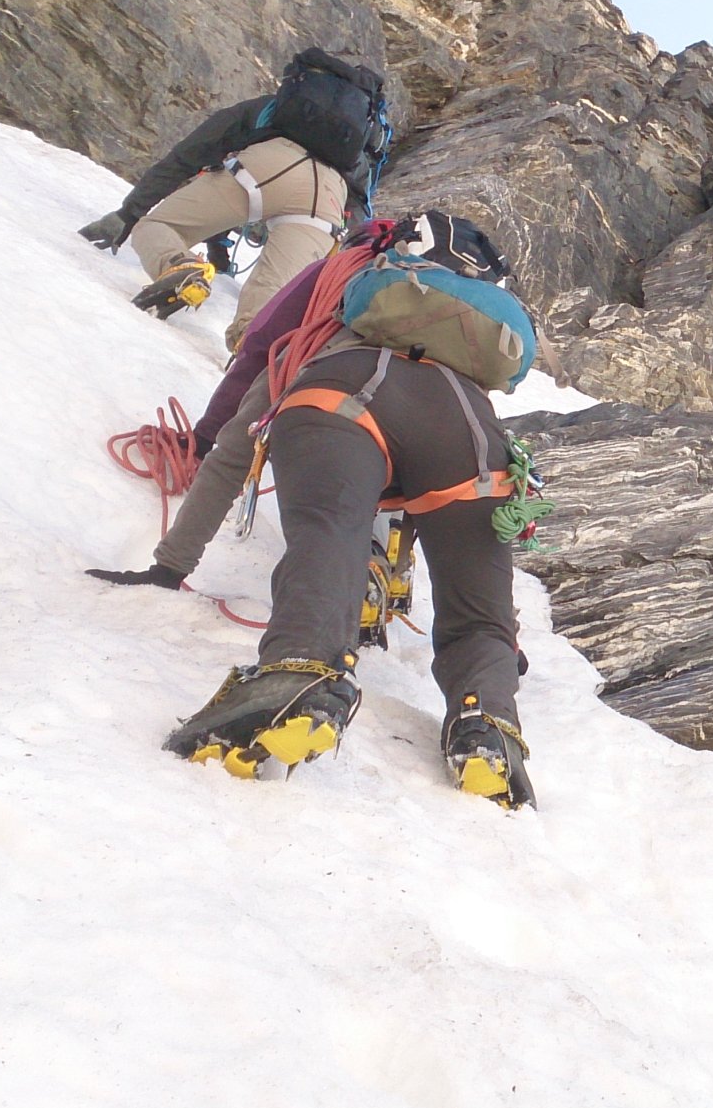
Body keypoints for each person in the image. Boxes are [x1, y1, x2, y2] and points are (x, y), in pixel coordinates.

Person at [92, 213, 538, 807]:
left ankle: (300, 670)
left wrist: (170, 565)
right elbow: (485, 571)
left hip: (342, 393)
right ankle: (488, 728)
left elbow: (236, 441)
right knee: (475, 612)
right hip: (469, 432)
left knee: (331, 529)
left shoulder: (336, 293)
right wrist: (502, 634)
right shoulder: (470, 336)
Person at [78, 49, 387, 349]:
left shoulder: (268, 109)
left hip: (264, 168)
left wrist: (129, 214)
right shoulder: (354, 150)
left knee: (157, 226)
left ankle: (182, 266)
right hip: (327, 198)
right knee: (265, 309)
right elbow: (359, 214)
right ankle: (249, 347)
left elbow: (189, 155)